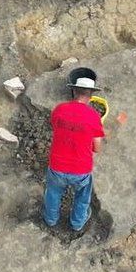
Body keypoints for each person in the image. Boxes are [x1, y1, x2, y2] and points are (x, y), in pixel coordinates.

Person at [42, 75, 105, 233]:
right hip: (81, 170)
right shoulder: (94, 117)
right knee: (83, 197)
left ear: (73, 91)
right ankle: (77, 223)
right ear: (91, 95)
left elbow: (56, 127)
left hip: (57, 166)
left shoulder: (59, 109)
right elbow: (97, 149)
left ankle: (50, 219)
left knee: (53, 193)